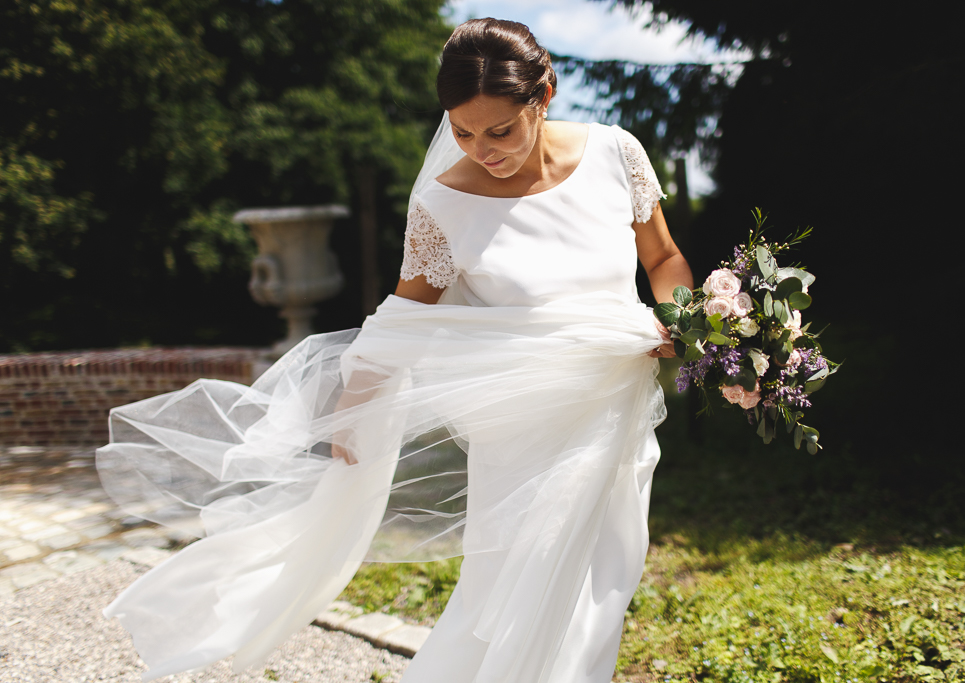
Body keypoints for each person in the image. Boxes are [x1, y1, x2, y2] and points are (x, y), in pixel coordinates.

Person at [98, 17, 693, 683]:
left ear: (543, 94)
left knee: (601, 585)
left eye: (499, 130)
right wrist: (357, 398)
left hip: (615, 413)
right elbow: (405, 310)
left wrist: (691, 325)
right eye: (462, 132)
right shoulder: (443, 202)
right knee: (505, 590)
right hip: (518, 429)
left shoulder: (617, 154)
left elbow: (663, 257)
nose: (480, 149)